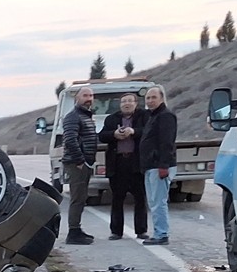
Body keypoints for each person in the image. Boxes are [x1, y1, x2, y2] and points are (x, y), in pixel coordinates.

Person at [98, 92, 148, 240]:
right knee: (117, 199)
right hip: (118, 163)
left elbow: (149, 132)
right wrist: (114, 134)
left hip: (136, 163)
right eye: (123, 102)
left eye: (130, 101)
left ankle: (141, 230)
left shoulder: (143, 116)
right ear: (120, 105)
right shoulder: (111, 118)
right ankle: (116, 231)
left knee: (140, 198)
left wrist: (133, 132)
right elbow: (101, 136)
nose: (126, 104)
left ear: (135, 103)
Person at [140, 85, 178, 245]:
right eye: (148, 98)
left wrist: (163, 165)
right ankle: (158, 231)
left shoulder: (166, 116)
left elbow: (167, 142)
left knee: (158, 202)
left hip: (159, 166)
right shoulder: (153, 116)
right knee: (153, 202)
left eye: (153, 97)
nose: (150, 101)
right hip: (150, 165)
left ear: (161, 98)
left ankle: (161, 234)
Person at [60, 86, 97, 244]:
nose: (88, 98)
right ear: (77, 98)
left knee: (81, 198)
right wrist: (80, 160)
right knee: (77, 198)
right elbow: (70, 140)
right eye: (85, 95)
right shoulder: (73, 116)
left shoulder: (86, 116)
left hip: (85, 162)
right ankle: (73, 233)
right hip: (77, 163)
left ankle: (77, 228)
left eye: (90, 95)